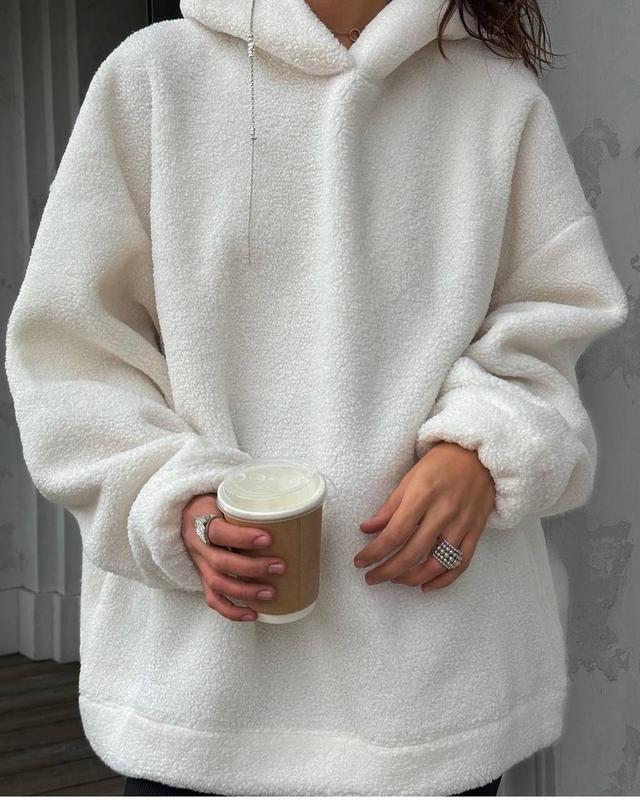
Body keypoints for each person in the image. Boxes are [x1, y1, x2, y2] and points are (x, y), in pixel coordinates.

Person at [4, 0, 628, 795]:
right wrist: (171, 501)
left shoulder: (496, 99)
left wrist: (485, 445)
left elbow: (553, 315)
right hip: (205, 698)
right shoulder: (154, 80)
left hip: (432, 694)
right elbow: (72, 351)